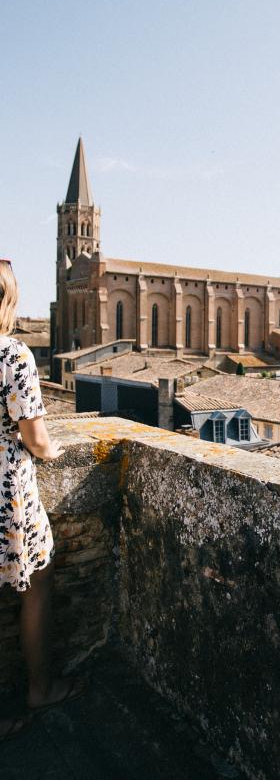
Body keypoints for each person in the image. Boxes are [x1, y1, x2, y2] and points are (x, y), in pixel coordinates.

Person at [0, 259, 84, 741]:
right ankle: (40, 687)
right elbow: (36, 437)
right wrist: (53, 449)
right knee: (36, 580)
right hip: (7, 491)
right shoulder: (13, 355)